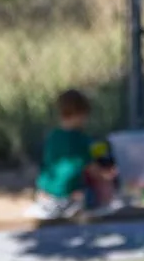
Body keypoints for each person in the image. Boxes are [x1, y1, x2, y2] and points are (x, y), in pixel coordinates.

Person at [27, 88, 118, 220]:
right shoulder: (80, 140)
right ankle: (99, 205)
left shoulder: (53, 136)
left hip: (44, 196)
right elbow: (93, 170)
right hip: (66, 198)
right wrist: (109, 177)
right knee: (99, 184)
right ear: (80, 114)